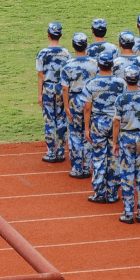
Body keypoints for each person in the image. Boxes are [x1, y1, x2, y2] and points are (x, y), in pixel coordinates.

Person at [112, 64, 140, 224]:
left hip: (126, 138)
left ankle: (128, 212)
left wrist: (115, 142)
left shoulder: (121, 98)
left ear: (125, 79)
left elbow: (116, 123)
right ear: (138, 79)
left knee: (127, 175)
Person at [83, 51, 126, 204]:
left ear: (99, 64)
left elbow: (87, 108)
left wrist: (87, 129)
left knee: (99, 157)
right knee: (114, 156)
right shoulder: (121, 83)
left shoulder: (91, 84)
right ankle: (113, 193)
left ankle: (99, 193)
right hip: (116, 122)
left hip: (98, 123)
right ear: (112, 65)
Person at [60, 32, 97, 178]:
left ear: (73, 46)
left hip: (74, 99)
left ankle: (77, 168)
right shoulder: (95, 63)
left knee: (75, 134)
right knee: (88, 132)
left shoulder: (67, 65)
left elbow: (65, 88)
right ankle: (87, 167)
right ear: (86, 45)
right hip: (91, 100)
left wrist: (66, 106)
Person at [35, 22, 71, 163]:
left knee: (49, 121)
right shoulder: (66, 53)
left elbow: (40, 75)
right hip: (62, 89)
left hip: (48, 88)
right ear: (60, 35)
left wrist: (39, 94)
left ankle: (51, 152)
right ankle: (61, 152)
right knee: (61, 119)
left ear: (48, 34)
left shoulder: (43, 53)